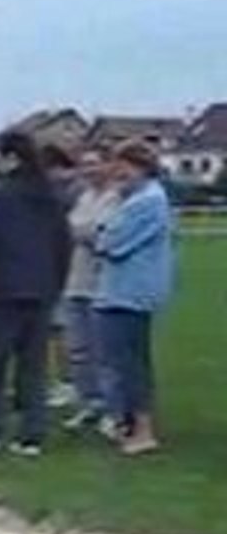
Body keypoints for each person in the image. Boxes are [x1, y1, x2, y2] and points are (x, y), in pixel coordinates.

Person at [0, 132, 71, 457]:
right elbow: (63, 245)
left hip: (3, 291)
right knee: (33, 367)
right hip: (41, 290)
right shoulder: (50, 196)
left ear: (11, 158)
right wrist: (55, 284)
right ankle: (31, 436)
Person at [94, 140, 174, 455]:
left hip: (130, 293)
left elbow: (110, 244)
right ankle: (126, 423)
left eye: (123, 166)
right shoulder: (135, 199)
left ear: (141, 167)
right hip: (120, 291)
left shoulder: (148, 201)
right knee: (121, 362)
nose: (117, 172)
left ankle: (143, 430)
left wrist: (104, 233)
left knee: (130, 365)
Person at [62, 150, 121, 432]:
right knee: (78, 350)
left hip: (102, 285)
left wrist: (80, 229)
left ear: (107, 165)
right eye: (84, 165)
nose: (89, 170)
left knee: (105, 352)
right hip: (75, 282)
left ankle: (113, 409)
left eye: (94, 164)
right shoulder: (83, 197)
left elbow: (104, 235)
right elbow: (72, 229)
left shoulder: (117, 197)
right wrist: (82, 229)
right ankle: (89, 403)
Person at [41, 144, 84, 409]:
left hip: (66, 268)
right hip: (51, 266)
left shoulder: (71, 192)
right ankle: (60, 381)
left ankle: (70, 383)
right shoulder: (61, 190)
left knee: (61, 328)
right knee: (51, 329)